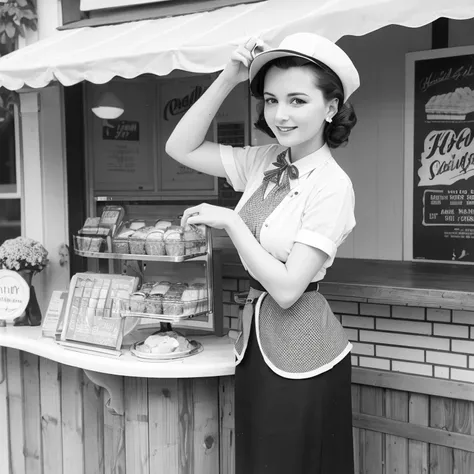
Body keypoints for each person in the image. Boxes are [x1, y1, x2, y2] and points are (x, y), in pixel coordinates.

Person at [166, 32, 359, 474]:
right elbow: (180, 148)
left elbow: (290, 289)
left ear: (330, 108)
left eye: (296, 100)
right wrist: (229, 77)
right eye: (271, 100)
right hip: (254, 343)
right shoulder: (265, 160)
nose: (279, 114)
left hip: (305, 354)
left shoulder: (332, 185)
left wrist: (231, 222)